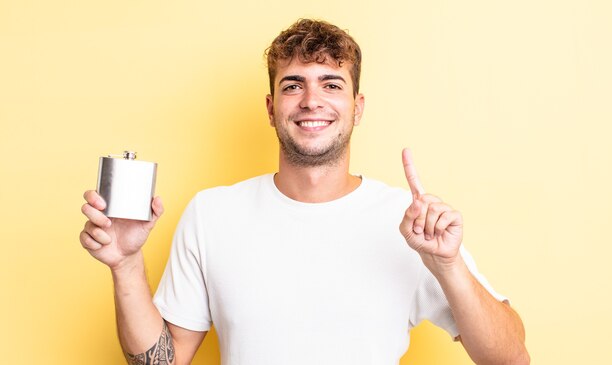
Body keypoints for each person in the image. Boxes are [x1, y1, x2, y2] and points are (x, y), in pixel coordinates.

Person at [80, 19, 529, 365]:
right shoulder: (212, 213)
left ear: (357, 108)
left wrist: (448, 266)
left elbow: (511, 358)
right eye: (293, 85)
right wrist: (126, 264)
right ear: (271, 108)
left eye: (331, 84)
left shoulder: (410, 223)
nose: (311, 100)